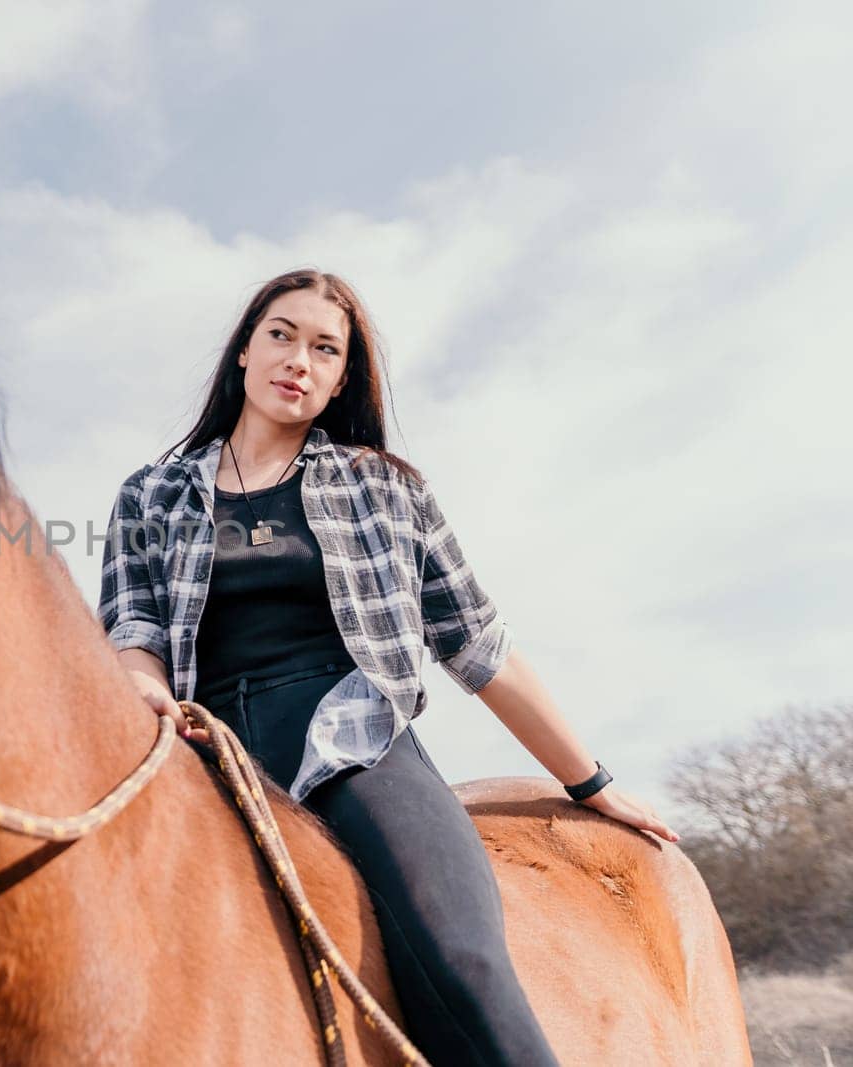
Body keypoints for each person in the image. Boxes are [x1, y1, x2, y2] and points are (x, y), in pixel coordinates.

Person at [98, 267, 678, 1066]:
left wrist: (588, 780)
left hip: (352, 739)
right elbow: (136, 629)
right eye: (281, 334)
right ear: (244, 351)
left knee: (461, 960)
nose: (298, 358)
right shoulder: (150, 496)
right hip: (210, 760)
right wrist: (141, 687)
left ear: (340, 380)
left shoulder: (383, 489)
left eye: (324, 348)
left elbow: (478, 646)